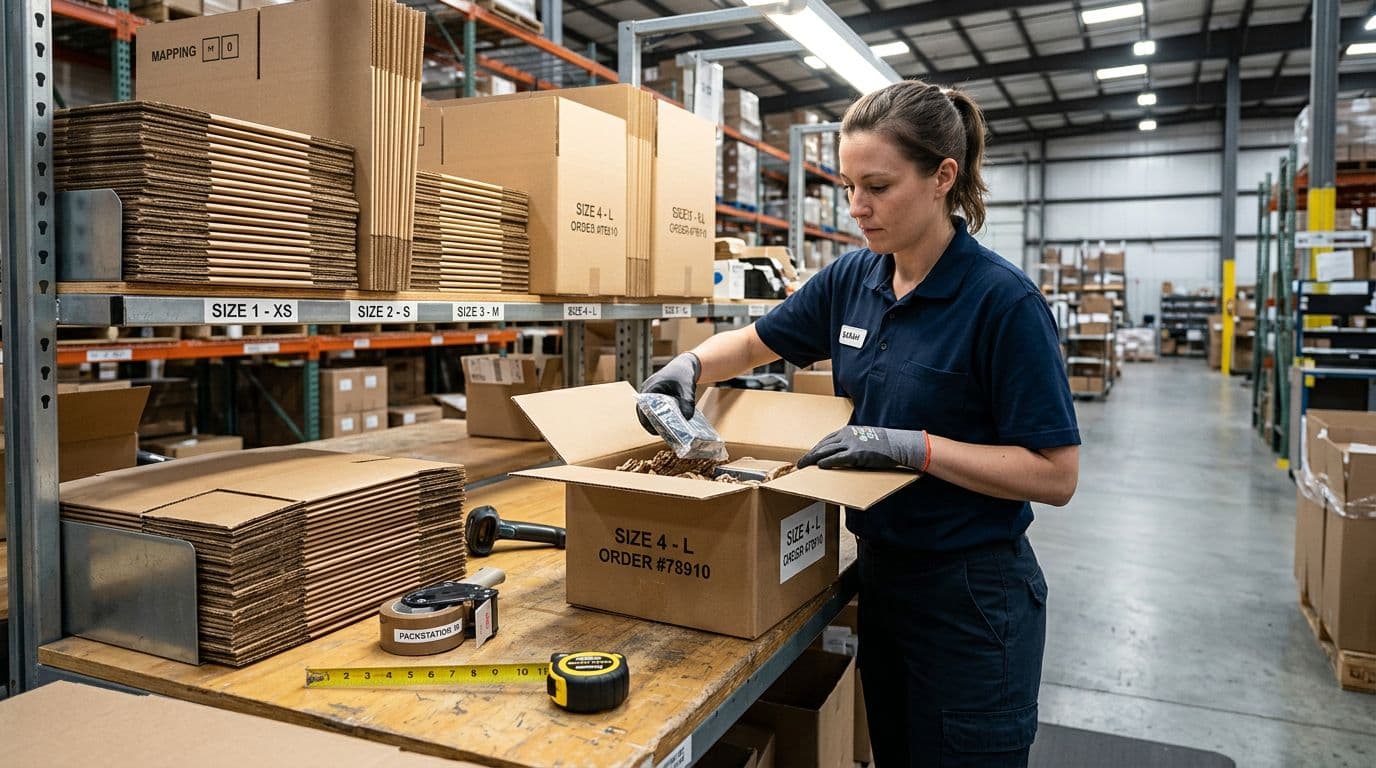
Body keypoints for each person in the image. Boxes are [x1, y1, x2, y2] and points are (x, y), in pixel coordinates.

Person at [638, 80, 1080, 767]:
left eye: (877, 185)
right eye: (847, 186)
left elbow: (1056, 475)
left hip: (970, 597)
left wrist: (915, 448)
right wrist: (690, 367)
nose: (857, 208)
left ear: (943, 178)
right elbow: (759, 342)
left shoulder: (1002, 303)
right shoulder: (856, 278)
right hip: (882, 579)